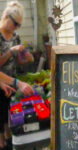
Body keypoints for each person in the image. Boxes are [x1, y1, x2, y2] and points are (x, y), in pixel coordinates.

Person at [0, 1, 34, 149]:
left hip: (11, 81)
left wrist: (25, 58)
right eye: (15, 24)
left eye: (19, 25)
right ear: (6, 17)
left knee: (11, 116)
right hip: (2, 81)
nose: (17, 28)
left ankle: (9, 141)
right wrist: (11, 51)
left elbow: (18, 62)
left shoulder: (16, 36)